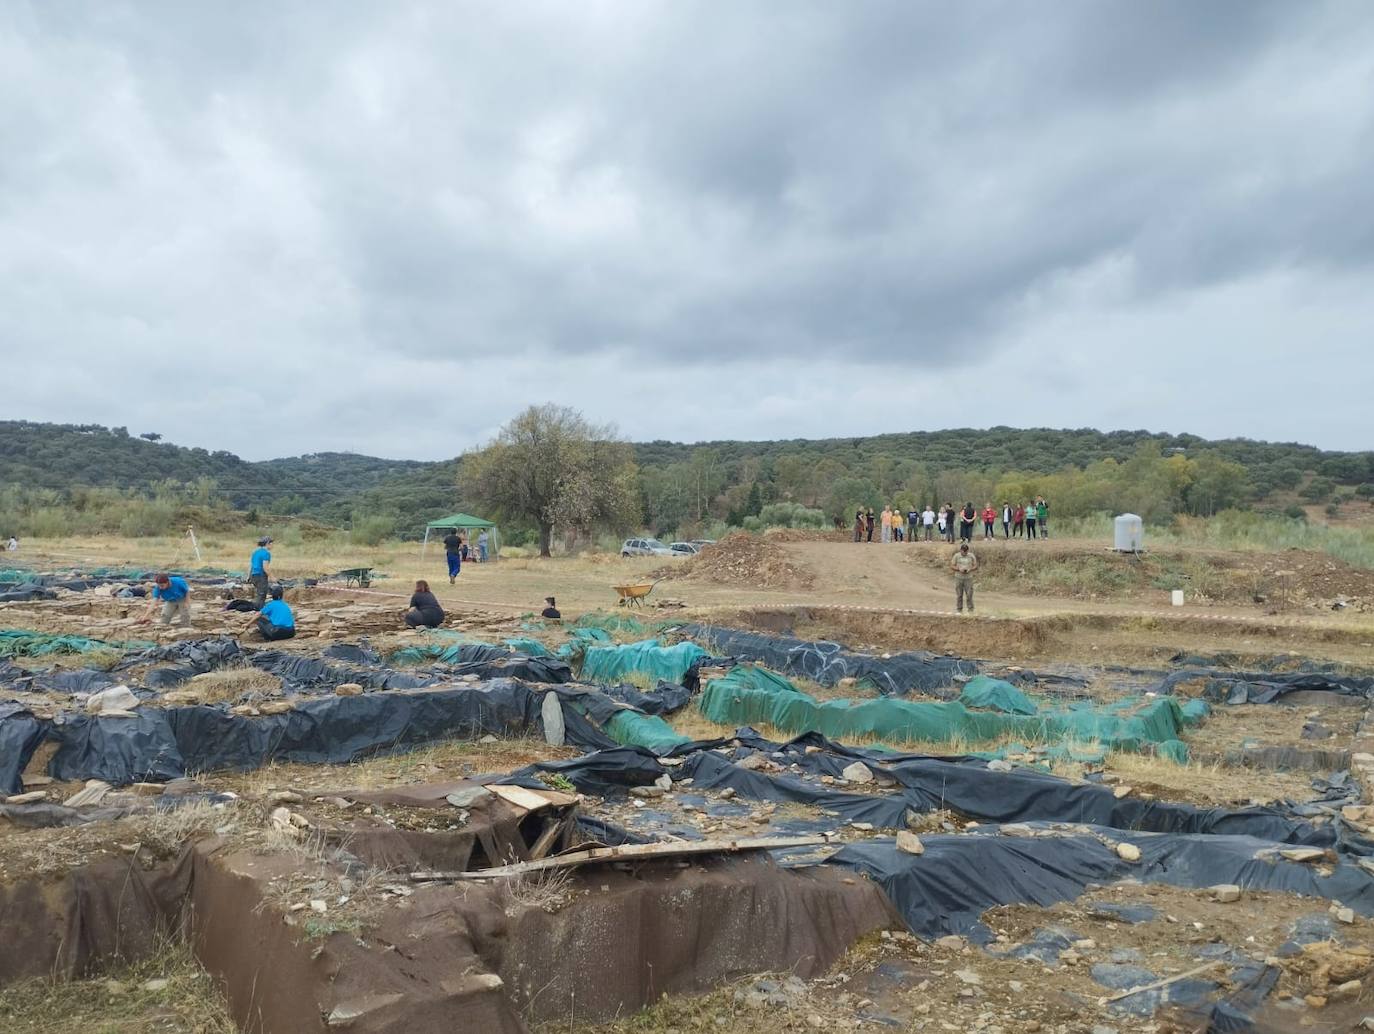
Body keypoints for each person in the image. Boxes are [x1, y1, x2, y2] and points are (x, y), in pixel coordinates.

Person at [950, 542, 978, 614]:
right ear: (961, 550)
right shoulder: (956, 556)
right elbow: (952, 566)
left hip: (968, 578)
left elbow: (975, 565)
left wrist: (970, 569)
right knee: (959, 595)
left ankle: (970, 610)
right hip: (959, 577)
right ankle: (959, 610)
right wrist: (959, 569)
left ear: (968, 550)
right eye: (963, 551)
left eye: (966, 551)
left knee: (969, 594)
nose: (965, 553)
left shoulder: (971, 556)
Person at [248, 537, 273, 609]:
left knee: (259, 593)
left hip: (253, 575)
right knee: (262, 595)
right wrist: (272, 577)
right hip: (261, 576)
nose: (272, 545)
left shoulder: (255, 552)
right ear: (267, 543)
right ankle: (258, 611)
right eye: (271, 543)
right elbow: (265, 567)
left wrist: (248, 576)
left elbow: (251, 565)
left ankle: (256, 609)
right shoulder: (266, 553)